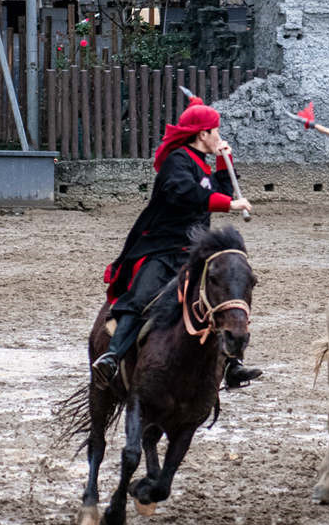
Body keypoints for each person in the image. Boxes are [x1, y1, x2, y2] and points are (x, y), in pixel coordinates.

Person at [92, 97, 258, 388]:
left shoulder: (201, 164)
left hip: (195, 250)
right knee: (141, 297)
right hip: (163, 247)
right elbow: (185, 192)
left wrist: (223, 163)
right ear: (202, 134)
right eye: (215, 131)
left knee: (222, 297)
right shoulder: (177, 161)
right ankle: (112, 357)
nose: (219, 136)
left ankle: (233, 363)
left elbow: (214, 190)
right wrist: (229, 204)